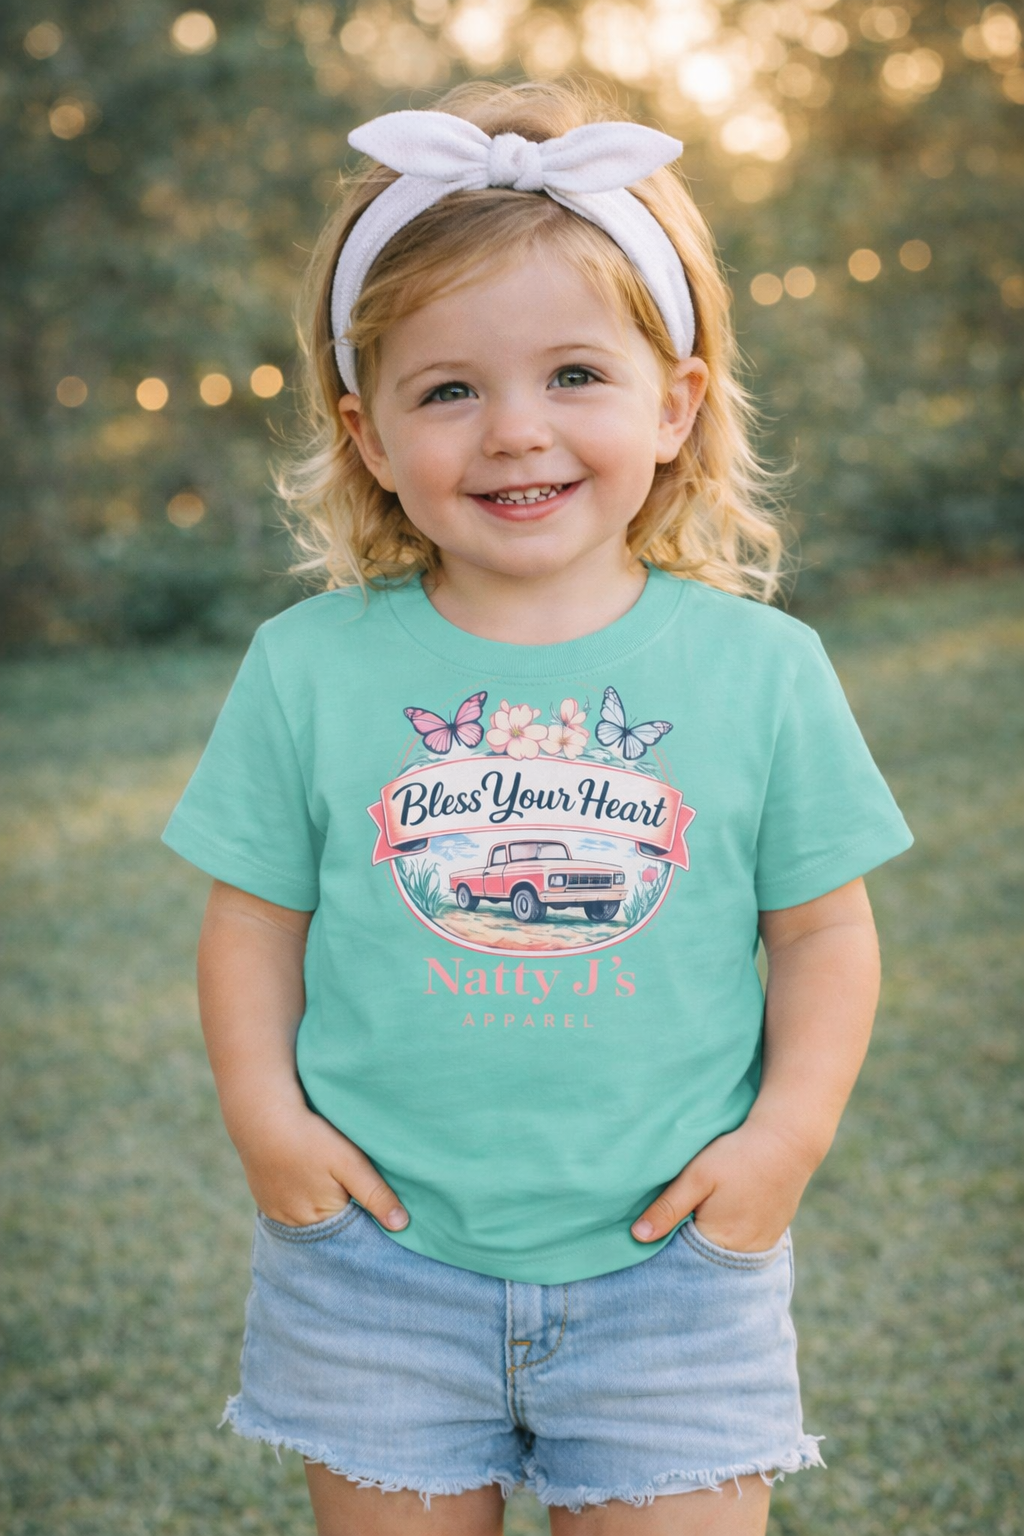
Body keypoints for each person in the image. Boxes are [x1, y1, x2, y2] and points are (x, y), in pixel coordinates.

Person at [161, 78, 915, 1536]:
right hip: (378, 1260)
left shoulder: (762, 671)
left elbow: (824, 933)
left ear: (676, 401)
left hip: (672, 1273)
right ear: (369, 434)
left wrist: (785, 1145)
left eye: (575, 374)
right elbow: (251, 921)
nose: (516, 431)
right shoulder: (309, 667)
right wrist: (266, 1121)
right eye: (449, 389)